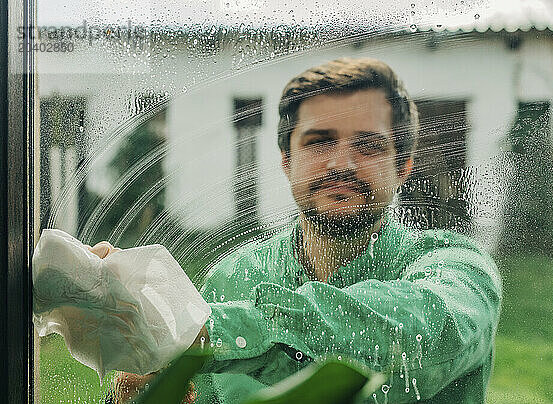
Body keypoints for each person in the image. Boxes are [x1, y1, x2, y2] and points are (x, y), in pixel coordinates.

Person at [101, 57, 501, 403]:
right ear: (287, 160)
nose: (341, 163)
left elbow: (411, 336)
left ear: (403, 166)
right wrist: (144, 386)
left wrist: (197, 329)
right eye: (319, 142)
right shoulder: (232, 278)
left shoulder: (459, 272)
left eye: (368, 145)